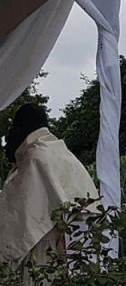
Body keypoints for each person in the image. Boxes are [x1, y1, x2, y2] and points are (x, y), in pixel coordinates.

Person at [0, 103, 98, 282]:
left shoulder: (35, 159)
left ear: (20, 128)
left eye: (11, 130)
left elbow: (17, 229)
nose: (7, 139)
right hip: (75, 256)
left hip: (42, 253)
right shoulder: (64, 155)